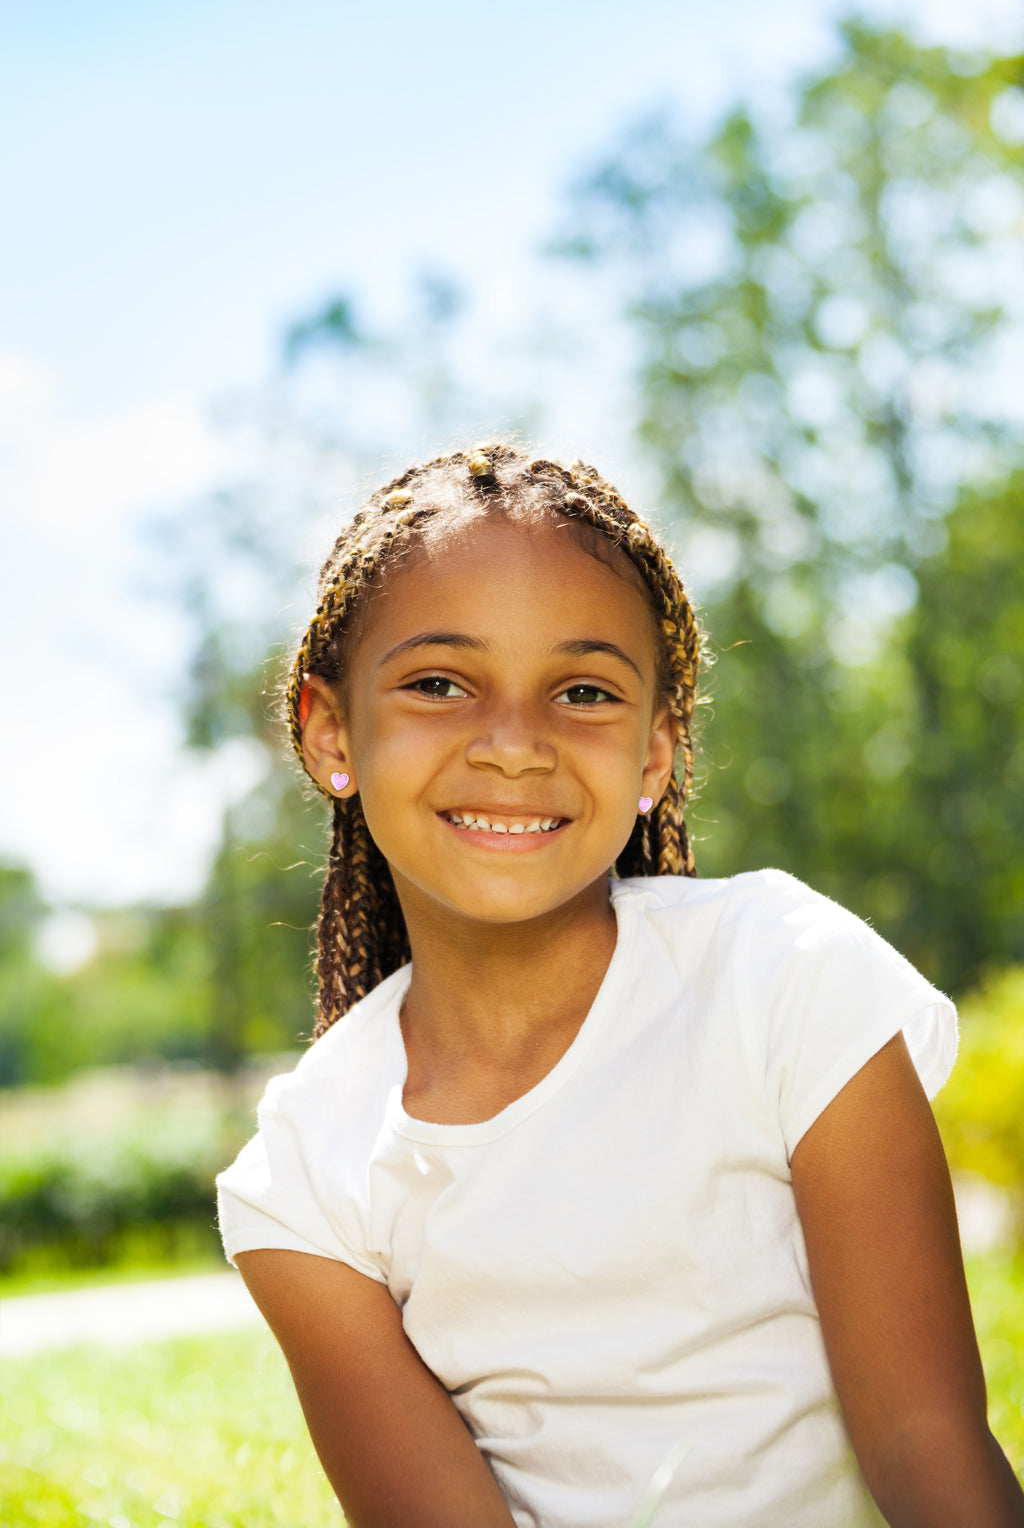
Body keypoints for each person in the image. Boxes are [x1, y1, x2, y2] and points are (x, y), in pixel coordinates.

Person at [216, 444, 1024, 1528]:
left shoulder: (783, 977)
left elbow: (924, 1440)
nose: (512, 744)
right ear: (328, 732)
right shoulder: (304, 1173)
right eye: (439, 683)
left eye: (582, 691)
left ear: (654, 755)